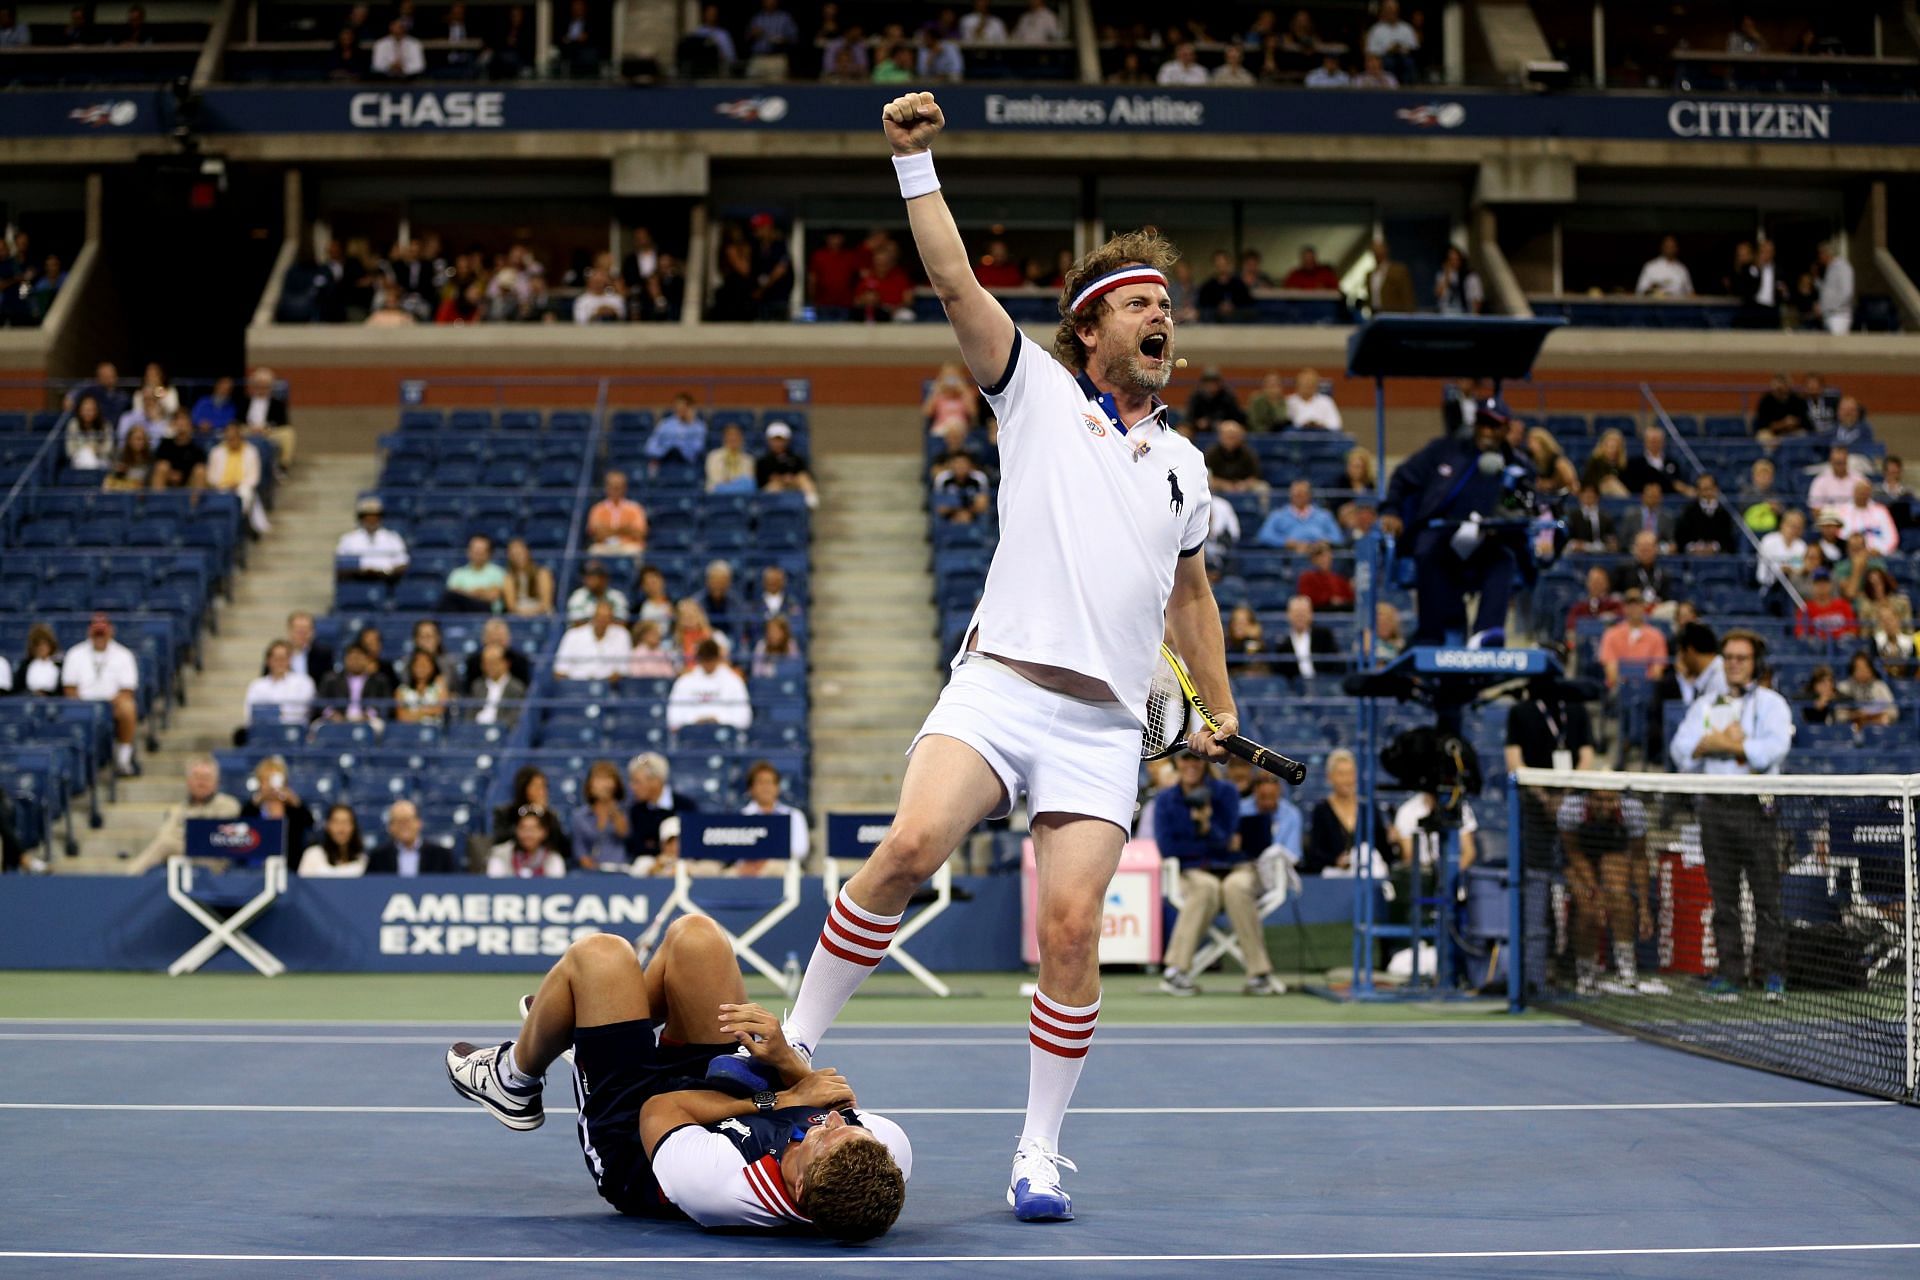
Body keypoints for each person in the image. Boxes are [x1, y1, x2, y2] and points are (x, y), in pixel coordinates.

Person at [772, 90, 1234, 1225]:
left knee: (1071, 930)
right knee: (913, 842)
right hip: (1002, 686)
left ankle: (1037, 1149)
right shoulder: (1032, 392)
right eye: (1137, 303)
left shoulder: (1186, 469)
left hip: (1101, 728)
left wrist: (1216, 708)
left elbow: (1192, 595)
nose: (1158, 317)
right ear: (1091, 329)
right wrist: (913, 164)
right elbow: (954, 285)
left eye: (1166, 304)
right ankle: (786, 1044)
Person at [442, 920, 909, 1238]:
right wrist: (787, 1059)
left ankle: (514, 1078)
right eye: (844, 1125)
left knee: (599, 956)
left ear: (800, 1189)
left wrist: (780, 1100)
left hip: (638, 1140)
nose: (828, 1121)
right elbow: (830, 1097)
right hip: (724, 1091)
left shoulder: (720, 1187)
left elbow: (661, 1109)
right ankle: (580, 1023)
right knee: (697, 939)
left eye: (822, 1137)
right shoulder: (881, 1155)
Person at [1668, 630, 1795, 1000]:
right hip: (1714, 809)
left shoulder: (1772, 704)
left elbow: (1772, 752)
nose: (1734, 664)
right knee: (1723, 900)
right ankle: (1730, 974)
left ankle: (1773, 974)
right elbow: (1682, 752)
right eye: (1729, 657)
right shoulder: (1705, 705)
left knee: (1767, 899)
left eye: (1741, 657)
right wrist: (1735, 746)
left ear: (1756, 663)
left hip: (1757, 809)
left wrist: (1722, 745)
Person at [1382, 399, 1530, 646]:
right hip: (1441, 534)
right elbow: (1402, 478)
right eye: (1483, 424)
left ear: (1506, 430)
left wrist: (1508, 520)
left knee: (1504, 559)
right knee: (1427, 549)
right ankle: (1431, 635)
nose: (1487, 431)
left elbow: (1524, 508)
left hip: (1488, 540)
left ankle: (1486, 635)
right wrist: (1391, 510)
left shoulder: (1517, 467)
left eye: (1494, 426)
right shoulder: (1444, 451)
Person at [1153, 755, 1278, 996]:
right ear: (1177, 764)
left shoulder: (1226, 792)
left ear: (1205, 763)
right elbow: (1168, 848)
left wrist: (1208, 826)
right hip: (1194, 872)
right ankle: (1176, 971)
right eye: (1185, 760)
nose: (1191, 765)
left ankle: (1259, 973)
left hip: (1234, 868)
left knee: (1237, 888)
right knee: (1205, 888)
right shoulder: (1166, 799)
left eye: (1196, 760)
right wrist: (1210, 844)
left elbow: (1228, 838)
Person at [1556, 788, 1653, 994]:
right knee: (1587, 909)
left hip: (1613, 850)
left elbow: (1639, 857)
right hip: (1579, 856)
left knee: (1620, 898)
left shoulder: (1632, 810)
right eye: (1598, 800)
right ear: (1588, 797)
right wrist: (1596, 893)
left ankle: (1626, 971)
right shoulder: (1571, 809)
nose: (1604, 806)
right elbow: (1574, 853)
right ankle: (1585, 974)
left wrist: (1644, 907)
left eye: (1610, 800)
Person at [62, 612, 141, 776]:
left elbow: (127, 690)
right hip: (82, 705)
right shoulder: (75, 654)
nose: (99, 636)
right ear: (89, 631)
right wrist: (85, 706)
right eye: (96, 632)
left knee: (128, 707)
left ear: (110, 631)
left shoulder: (123, 655)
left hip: (112, 705)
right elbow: (69, 689)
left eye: (102, 632)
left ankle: (123, 759)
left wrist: (105, 706)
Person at [1302, 750, 1396, 875]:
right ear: (1330, 777)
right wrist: (1336, 861)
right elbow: (1315, 854)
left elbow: (1383, 849)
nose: (1347, 779)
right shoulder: (1321, 811)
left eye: (1350, 773)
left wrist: (1392, 839)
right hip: (1334, 875)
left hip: (1369, 871)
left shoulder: (1368, 809)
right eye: (1341, 774)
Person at [626, 753, 698, 871]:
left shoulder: (685, 806)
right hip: (651, 868)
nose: (633, 787)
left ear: (655, 781)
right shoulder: (636, 810)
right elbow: (636, 847)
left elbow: (693, 841)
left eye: (637, 782)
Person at [667, 639, 753, 731]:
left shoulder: (734, 681)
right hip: (692, 737)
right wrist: (694, 720)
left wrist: (719, 720)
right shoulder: (684, 682)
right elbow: (672, 719)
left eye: (711, 658)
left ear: (718, 658)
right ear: (699, 659)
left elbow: (745, 719)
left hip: (724, 737)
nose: (708, 663)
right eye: (705, 659)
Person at [571, 760, 632, 871]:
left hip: (620, 869)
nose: (603, 784)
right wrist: (593, 870)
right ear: (590, 785)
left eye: (607, 778)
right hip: (591, 873)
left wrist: (611, 806)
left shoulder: (625, 811)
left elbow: (625, 833)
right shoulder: (579, 816)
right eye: (598, 779)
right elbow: (580, 850)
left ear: (615, 784)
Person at [367, 799, 456, 875]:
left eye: (407, 820)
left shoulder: (441, 855)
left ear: (419, 823)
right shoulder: (378, 857)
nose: (404, 826)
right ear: (390, 827)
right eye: (398, 821)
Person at [244, 641, 317, 728]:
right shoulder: (257, 686)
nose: (279, 662)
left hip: (294, 731)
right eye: (276, 659)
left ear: (290, 660)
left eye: (283, 658)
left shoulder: (304, 682)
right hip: (265, 731)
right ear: (268, 661)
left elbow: (302, 712)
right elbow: (250, 713)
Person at [316, 641, 394, 722]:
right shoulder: (331, 679)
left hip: (368, 719)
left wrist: (369, 715)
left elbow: (386, 703)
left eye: (358, 658)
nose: (355, 661)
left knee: (378, 725)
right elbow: (320, 701)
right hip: (337, 718)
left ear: (367, 659)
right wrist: (332, 714)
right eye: (352, 658)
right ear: (345, 659)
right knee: (318, 726)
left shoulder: (379, 681)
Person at [556, 601, 634, 681]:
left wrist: (604, 683)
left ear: (611, 619)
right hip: (577, 687)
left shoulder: (622, 634)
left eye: (606, 617)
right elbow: (560, 671)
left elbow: (624, 669)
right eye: (599, 617)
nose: (602, 621)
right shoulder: (572, 635)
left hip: (611, 687)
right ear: (593, 617)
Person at [336, 496, 409, 579]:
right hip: (357, 580)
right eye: (367, 517)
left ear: (380, 518)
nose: (371, 520)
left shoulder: (393, 538)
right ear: (361, 518)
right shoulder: (348, 539)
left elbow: (403, 562)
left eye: (375, 516)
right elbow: (341, 564)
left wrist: (385, 572)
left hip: (386, 580)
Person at [1255, 479, 1341, 550]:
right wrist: (1286, 543)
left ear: (1309, 495)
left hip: (1318, 554)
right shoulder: (1278, 515)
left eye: (1302, 494)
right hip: (1288, 555)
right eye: (1296, 494)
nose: (1298, 497)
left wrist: (1324, 542)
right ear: (1290, 495)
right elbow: (1264, 535)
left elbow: (1338, 538)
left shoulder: (1324, 515)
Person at [489, 807, 568, 878]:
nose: (528, 834)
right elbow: (494, 885)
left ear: (544, 832)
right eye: (523, 828)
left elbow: (556, 887)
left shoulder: (553, 858)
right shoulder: (501, 855)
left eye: (533, 829)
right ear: (516, 830)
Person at [755, 421, 817, 507]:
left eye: (781, 440)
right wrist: (781, 479)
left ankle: (810, 503)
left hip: (794, 486)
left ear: (787, 440)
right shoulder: (763, 461)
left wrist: (791, 479)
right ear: (769, 440)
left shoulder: (796, 459)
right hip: (773, 491)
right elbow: (761, 483)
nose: (778, 443)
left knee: (803, 478)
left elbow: (805, 475)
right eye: (775, 440)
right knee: (774, 486)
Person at [1674, 473, 1740, 554]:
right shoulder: (1688, 512)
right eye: (1704, 489)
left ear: (1716, 489)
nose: (1707, 493)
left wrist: (1715, 547)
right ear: (1698, 491)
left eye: (1710, 489)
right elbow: (1681, 538)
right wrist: (1692, 547)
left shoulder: (1724, 514)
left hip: (1719, 559)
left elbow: (1729, 540)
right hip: (1692, 558)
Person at [465, 642, 527, 727]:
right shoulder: (477, 686)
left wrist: (496, 728)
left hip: (501, 732)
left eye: (493, 663)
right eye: (486, 663)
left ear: (505, 664)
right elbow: (469, 714)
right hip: (477, 732)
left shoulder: (516, 688)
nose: (489, 667)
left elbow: (515, 717)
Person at [587, 471, 649, 555]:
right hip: (605, 545)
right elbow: (595, 532)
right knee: (594, 551)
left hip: (628, 545)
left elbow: (640, 532)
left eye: (618, 487)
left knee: (635, 551)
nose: (615, 490)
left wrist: (609, 530)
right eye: (612, 487)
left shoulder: (635, 508)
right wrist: (625, 529)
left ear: (625, 488)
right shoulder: (598, 508)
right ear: (606, 487)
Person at [299, 804, 369, 877]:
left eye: (346, 822)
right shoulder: (312, 854)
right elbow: (302, 886)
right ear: (328, 826)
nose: (341, 829)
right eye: (336, 822)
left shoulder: (362, 860)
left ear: (353, 827)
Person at [444, 534, 509, 613]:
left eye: (481, 551)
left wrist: (464, 593)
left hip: (489, 613)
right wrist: (479, 593)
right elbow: (452, 595)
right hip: (463, 612)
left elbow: (494, 595)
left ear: (489, 553)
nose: (478, 553)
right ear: (468, 551)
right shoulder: (457, 573)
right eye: (475, 550)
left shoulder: (498, 572)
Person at [503, 538, 556, 616]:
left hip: (541, 613)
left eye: (520, 553)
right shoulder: (509, 578)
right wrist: (523, 613)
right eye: (514, 555)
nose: (518, 557)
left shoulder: (542, 573)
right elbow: (511, 606)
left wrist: (530, 612)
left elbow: (546, 603)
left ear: (527, 553)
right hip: (518, 614)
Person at [395, 649, 449, 724]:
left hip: (435, 731)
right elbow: (402, 716)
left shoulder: (440, 687)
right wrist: (428, 711)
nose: (421, 668)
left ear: (432, 667)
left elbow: (440, 709)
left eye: (425, 664)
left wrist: (413, 713)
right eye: (418, 664)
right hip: (409, 732)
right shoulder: (401, 690)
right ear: (412, 667)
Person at [1813, 242, 1855, 335]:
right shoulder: (1830, 268)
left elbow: (1847, 292)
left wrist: (1828, 307)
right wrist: (1816, 280)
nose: (1819, 257)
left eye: (1820, 253)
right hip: (1828, 316)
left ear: (1827, 253)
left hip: (1839, 316)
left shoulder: (1842, 267)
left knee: (1839, 347)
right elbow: (1828, 291)